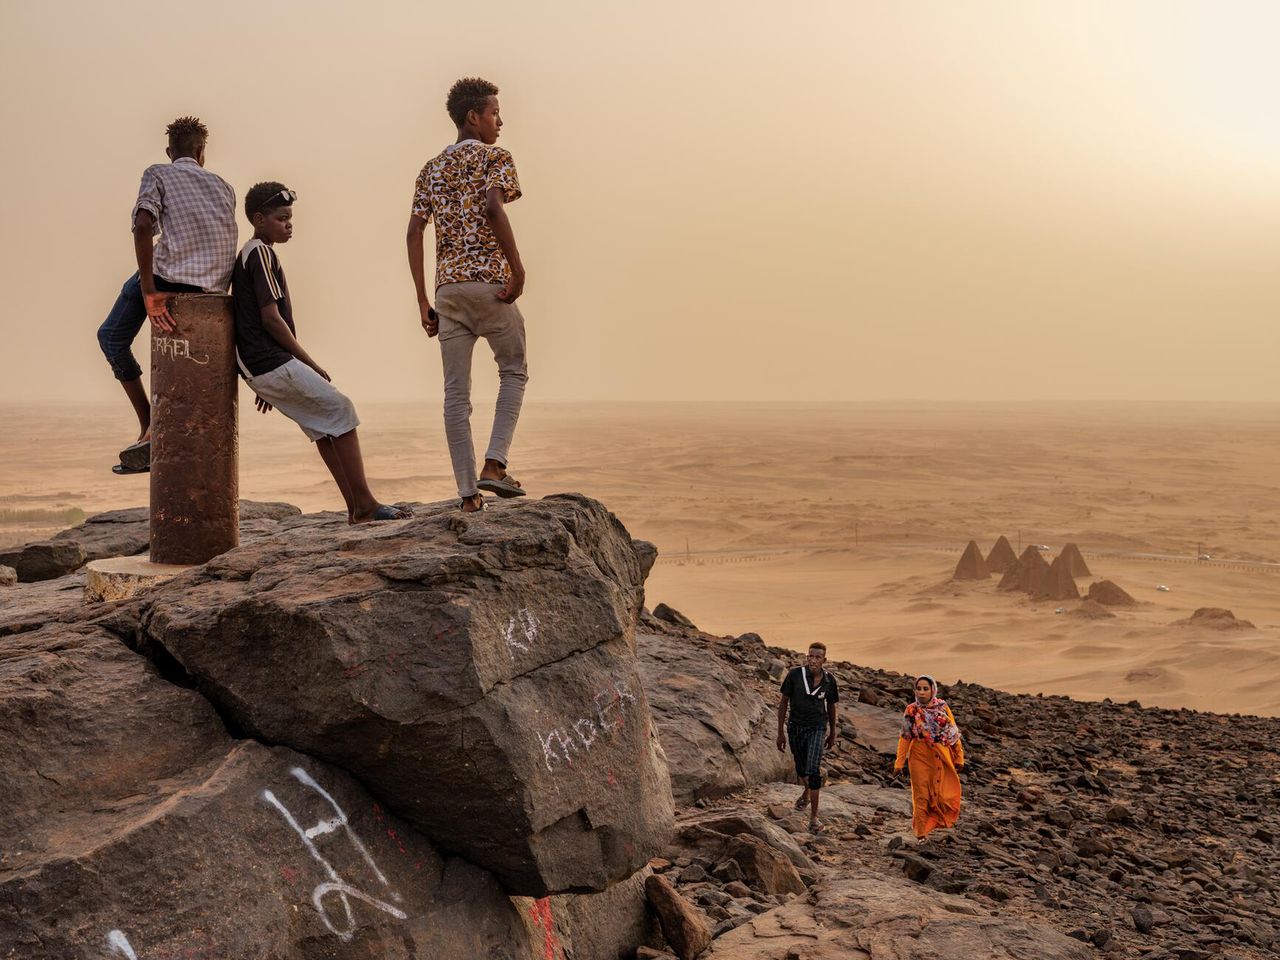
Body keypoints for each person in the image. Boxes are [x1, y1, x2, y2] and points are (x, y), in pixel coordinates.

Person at [232, 182, 409, 524]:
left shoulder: (254, 253)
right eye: (282, 218)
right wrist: (305, 362)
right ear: (259, 219)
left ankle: (357, 508)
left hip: (261, 364)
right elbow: (271, 319)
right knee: (341, 408)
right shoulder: (259, 253)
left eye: (290, 218)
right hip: (268, 359)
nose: (289, 224)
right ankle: (366, 505)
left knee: (324, 424)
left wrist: (264, 379)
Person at [406, 76, 529, 513]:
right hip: (488, 285)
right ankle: (494, 465)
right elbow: (494, 207)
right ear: (473, 117)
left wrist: (423, 299)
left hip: (447, 291)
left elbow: (415, 231)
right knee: (513, 370)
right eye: (495, 112)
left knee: (455, 394)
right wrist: (517, 269)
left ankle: (467, 495)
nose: (501, 121)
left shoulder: (431, 168)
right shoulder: (496, 157)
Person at [96, 116, 237, 473]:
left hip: (168, 278)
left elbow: (143, 224)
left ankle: (150, 423)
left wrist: (148, 290)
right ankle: (155, 428)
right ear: (201, 152)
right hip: (213, 288)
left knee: (111, 337)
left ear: (169, 151)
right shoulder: (224, 186)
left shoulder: (157, 172)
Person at [776, 642, 839, 833]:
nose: (813, 660)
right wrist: (781, 732)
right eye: (810, 656)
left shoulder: (829, 680)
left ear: (824, 660)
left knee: (813, 770)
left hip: (817, 728)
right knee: (801, 768)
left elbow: (831, 707)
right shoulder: (795, 675)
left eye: (817, 657)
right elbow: (784, 702)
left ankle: (814, 819)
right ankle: (807, 791)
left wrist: (832, 732)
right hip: (796, 727)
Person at [893, 675, 965, 842]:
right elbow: (905, 737)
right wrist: (899, 762)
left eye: (926, 689)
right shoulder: (911, 710)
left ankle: (936, 821)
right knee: (920, 796)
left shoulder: (942, 708)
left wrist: (959, 758)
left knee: (943, 795)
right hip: (919, 756)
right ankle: (921, 834)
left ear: (933, 690)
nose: (922, 692)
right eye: (919, 689)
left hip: (941, 756)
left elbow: (953, 734)